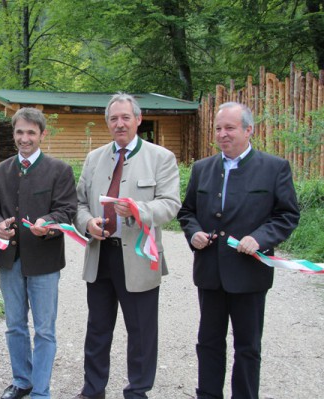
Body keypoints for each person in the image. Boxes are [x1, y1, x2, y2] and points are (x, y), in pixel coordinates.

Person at [177, 102, 300, 399]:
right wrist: (193, 233)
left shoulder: (274, 168)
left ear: (249, 130)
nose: (223, 134)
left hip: (249, 273)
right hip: (210, 272)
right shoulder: (202, 168)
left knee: (247, 347)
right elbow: (187, 212)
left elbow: (286, 215)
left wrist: (260, 238)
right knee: (208, 342)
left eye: (230, 128)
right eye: (218, 128)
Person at [73, 92, 181, 399]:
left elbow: (171, 205)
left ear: (138, 119)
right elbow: (79, 204)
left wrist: (139, 211)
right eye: (113, 118)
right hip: (101, 254)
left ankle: (137, 391)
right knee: (97, 330)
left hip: (138, 256)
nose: (119, 124)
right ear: (108, 123)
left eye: (125, 117)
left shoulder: (161, 158)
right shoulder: (94, 158)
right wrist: (87, 224)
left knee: (142, 332)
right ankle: (93, 390)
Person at [0, 108, 77, 399]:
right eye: (19, 132)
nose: (24, 138)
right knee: (14, 326)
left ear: (42, 135)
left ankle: (40, 389)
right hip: (10, 259)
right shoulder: (0, 171)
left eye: (31, 132)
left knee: (44, 329)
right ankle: (21, 380)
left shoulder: (59, 170)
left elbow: (67, 211)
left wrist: (47, 225)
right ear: (13, 134)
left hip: (45, 260)